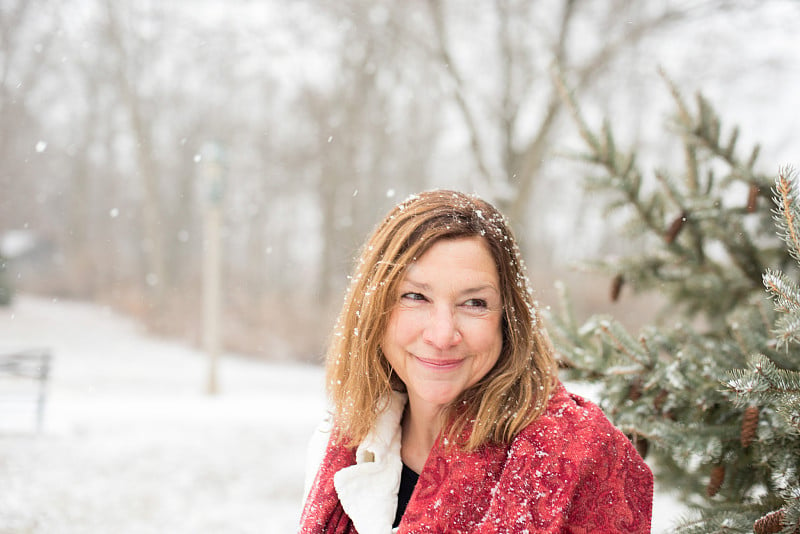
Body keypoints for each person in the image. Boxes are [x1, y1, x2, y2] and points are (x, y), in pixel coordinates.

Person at [298, 190, 653, 533]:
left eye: (474, 303)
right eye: (415, 296)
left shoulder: (583, 453)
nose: (442, 335)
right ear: (375, 311)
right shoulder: (348, 443)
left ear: (508, 318)